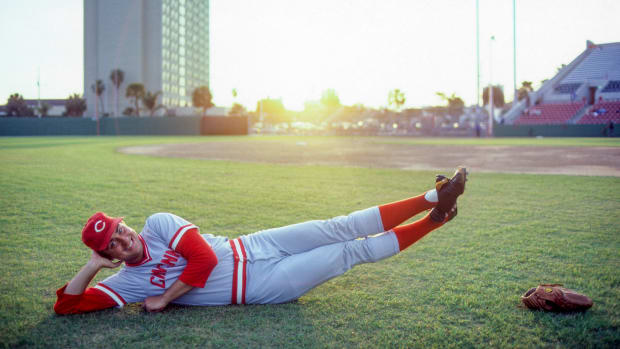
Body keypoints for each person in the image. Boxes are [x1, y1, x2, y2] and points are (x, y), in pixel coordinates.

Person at [54, 167, 468, 315]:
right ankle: (435, 220)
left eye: (119, 229)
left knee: (339, 225)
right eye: (112, 244)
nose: (122, 240)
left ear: (125, 224)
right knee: (349, 251)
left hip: (252, 246)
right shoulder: (123, 283)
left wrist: (164, 298)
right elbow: (66, 306)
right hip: (259, 287)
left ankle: (434, 195)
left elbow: (202, 262)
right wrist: (92, 267)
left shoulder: (158, 224)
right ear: (107, 252)